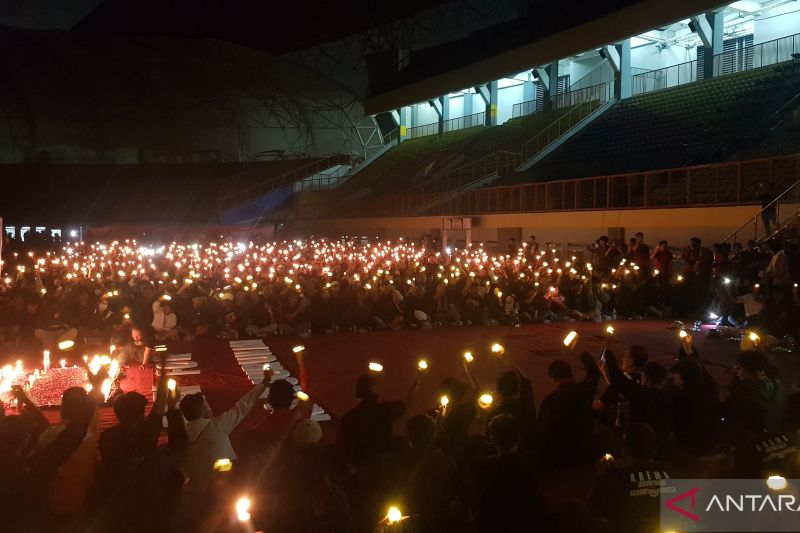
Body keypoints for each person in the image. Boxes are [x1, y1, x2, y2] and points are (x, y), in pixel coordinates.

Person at [179, 367, 269, 500]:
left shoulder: (181, 439)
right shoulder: (217, 425)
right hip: (228, 488)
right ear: (200, 412)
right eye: (206, 406)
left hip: (197, 493)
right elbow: (242, 406)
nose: (210, 407)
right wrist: (264, 383)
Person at [469, 414, 550, 533]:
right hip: (525, 524)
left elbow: (479, 502)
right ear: (519, 438)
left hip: (493, 524)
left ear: (493, 439)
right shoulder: (530, 465)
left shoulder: (483, 467)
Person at [590, 423, 677, 533]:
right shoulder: (670, 471)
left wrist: (601, 477)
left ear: (624, 449)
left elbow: (594, 511)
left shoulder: (613, 477)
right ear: (655, 449)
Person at [538, 353, 601, 466]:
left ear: (553, 378)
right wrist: (584, 356)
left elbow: (543, 430)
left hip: (560, 456)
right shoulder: (583, 391)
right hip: (585, 452)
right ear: (571, 374)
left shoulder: (549, 402)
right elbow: (594, 374)